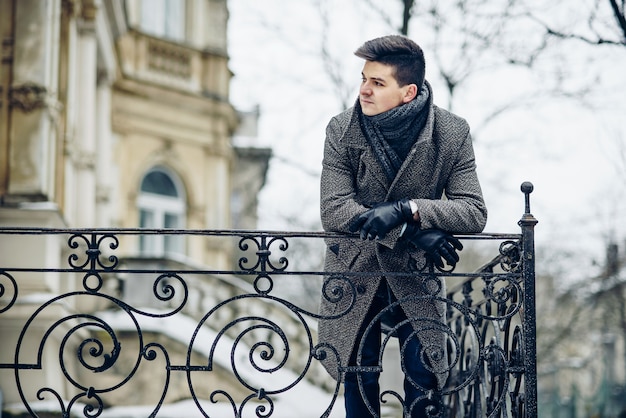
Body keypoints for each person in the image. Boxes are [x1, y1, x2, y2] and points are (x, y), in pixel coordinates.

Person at [318, 35, 487, 417]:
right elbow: (334, 209)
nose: (364, 90)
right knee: (359, 379)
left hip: (414, 273)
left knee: (422, 377)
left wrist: (407, 208)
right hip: (355, 270)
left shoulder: (451, 133)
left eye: (377, 83)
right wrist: (411, 228)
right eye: (363, 78)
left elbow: (474, 211)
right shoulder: (341, 129)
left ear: (408, 91)